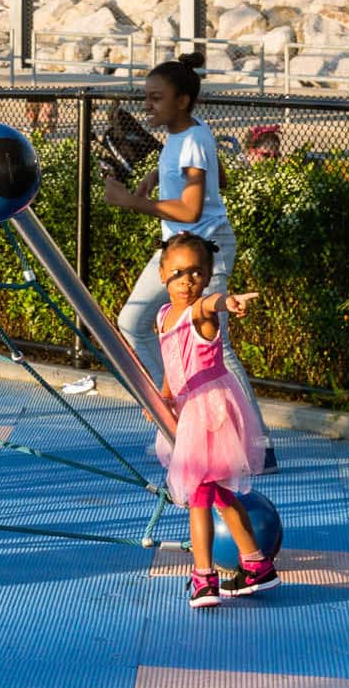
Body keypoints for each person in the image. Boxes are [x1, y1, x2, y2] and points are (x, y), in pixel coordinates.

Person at [103, 52, 275, 471]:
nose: (148, 106)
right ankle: (181, 417)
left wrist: (131, 201)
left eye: (156, 98)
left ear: (182, 100)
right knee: (132, 322)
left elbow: (193, 209)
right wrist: (157, 176)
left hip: (204, 249)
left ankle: (257, 446)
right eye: (147, 97)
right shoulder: (188, 135)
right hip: (177, 248)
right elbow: (218, 180)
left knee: (217, 344)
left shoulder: (194, 138)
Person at [153, 232, 278, 607]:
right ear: (162, 275)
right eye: (177, 272)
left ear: (207, 277)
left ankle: (204, 577)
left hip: (210, 415)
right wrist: (164, 397)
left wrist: (228, 301)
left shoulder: (199, 312)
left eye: (195, 272)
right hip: (188, 408)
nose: (185, 280)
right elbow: (171, 360)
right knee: (222, 496)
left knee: (199, 497)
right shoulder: (163, 315)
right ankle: (257, 565)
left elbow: (211, 305)